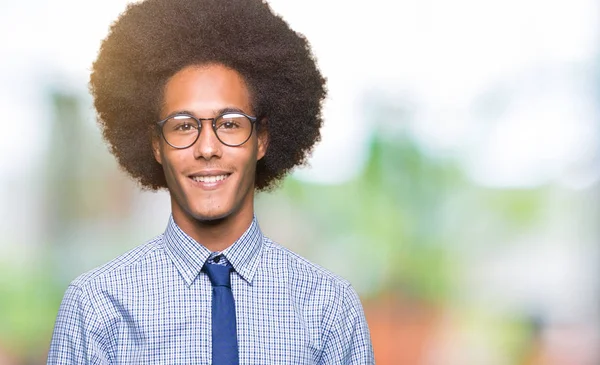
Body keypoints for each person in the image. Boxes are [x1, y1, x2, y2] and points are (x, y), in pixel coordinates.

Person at [47, 0, 374, 363]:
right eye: (184, 125)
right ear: (156, 145)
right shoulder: (96, 307)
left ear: (261, 138)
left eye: (230, 123)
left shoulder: (328, 307)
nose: (207, 148)